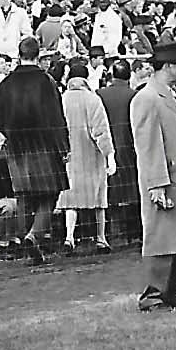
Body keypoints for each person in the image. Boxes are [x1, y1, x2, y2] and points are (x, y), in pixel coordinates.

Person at [131, 41, 176, 309]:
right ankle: (153, 296)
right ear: (169, 66)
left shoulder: (174, 94)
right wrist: (157, 183)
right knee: (162, 238)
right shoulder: (147, 98)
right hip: (166, 178)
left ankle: (172, 292)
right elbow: (148, 145)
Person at [0, 36, 68, 264]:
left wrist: (10, 132)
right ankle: (34, 236)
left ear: (18, 55)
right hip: (44, 144)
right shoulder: (46, 82)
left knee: (24, 196)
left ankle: (26, 239)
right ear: (39, 55)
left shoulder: (6, 83)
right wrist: (63, 146)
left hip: (16, 146)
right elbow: (56, 116)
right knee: (51, 193)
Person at [57, 57, 115, 252]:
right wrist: (109, 154)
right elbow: (100, 131)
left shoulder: (61, 99)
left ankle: (69, 237)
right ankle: (101, 238)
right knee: (99, 198)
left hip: (69, 156)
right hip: (91, 155)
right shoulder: (93, 99)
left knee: (70, 198)